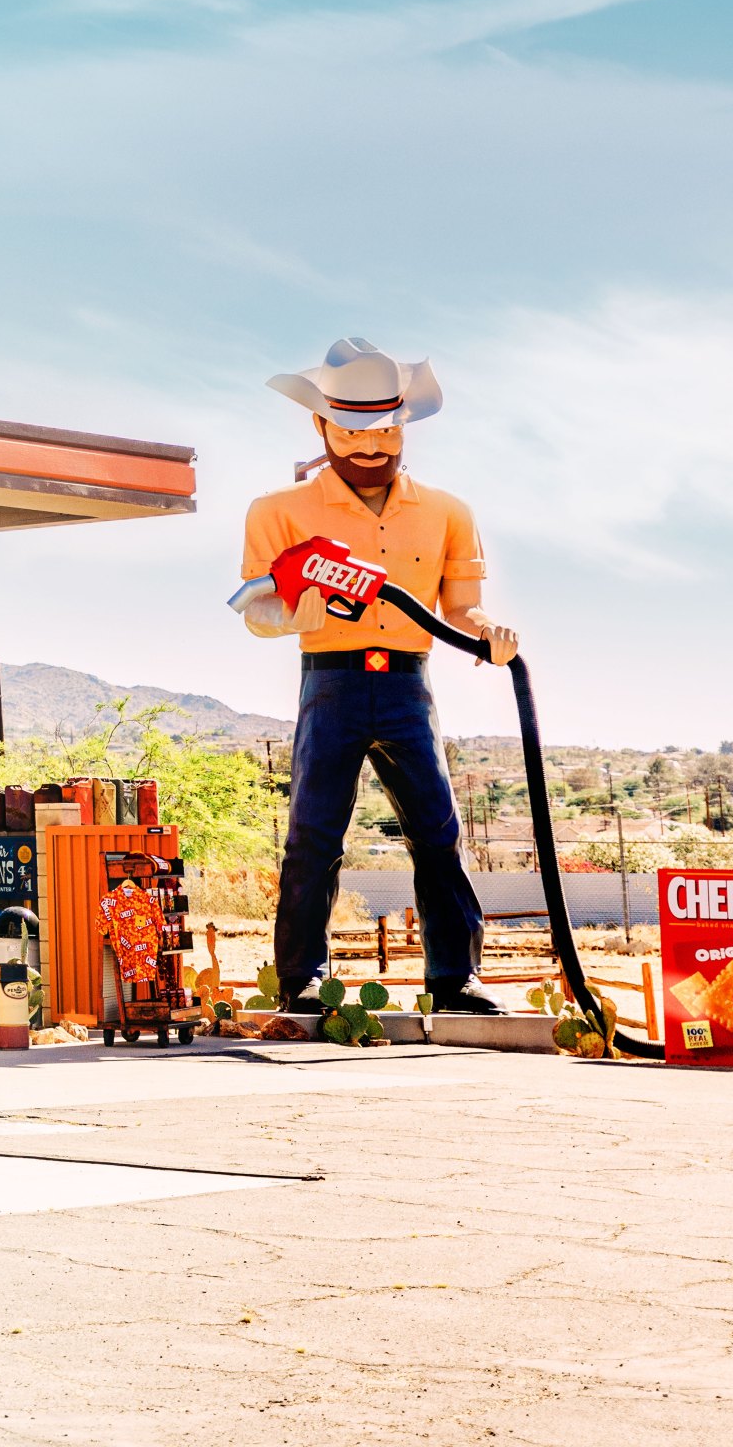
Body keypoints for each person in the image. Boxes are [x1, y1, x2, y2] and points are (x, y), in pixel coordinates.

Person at [232, 339, 518, 1014]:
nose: (371, 445)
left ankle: (455, 979)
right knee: (314, 834)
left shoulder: (449, 512)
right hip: (329, 678)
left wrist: (488, 635)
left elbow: (458, 608)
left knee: (438, 834)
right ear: (322, 426)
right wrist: (289, 616)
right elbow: (256, 611)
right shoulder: (277, 511)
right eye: (355, 430)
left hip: (408, 684)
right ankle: (302, 979)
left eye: (386, 429)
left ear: (404, 425)